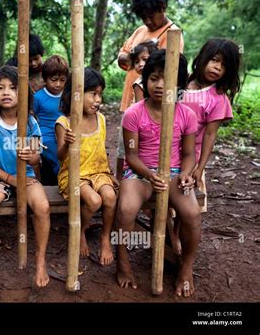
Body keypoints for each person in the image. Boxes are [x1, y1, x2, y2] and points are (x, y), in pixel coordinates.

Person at [116, 50, 200, 297]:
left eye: (168, 79)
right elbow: (131, 156)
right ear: (145, 80)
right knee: (126, 209)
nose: (160, 85)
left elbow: (188, 155)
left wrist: (186, 174)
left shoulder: (186, 115)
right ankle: (122, 261)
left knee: (192, 213)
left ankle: (186, 267)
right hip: (140, 173)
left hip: (174, 173)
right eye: (154, 78)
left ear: (180, 84)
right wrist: (149, 175)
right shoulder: (134, 113)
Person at [0, 66, 50, 291]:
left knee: (42, 206)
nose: (6, 92)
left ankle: (40, 260)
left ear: (22, 93)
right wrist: (7, 178)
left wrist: (30, 156)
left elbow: (36, 160)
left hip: (27, 176)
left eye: (13, 88)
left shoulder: (30, 122)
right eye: (1, 88)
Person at [116, 0, 184, 180]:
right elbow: (122, 55)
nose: (147, 21)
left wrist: (136, 58)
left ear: (162, 8)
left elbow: (167, 68)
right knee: (124, 147)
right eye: (143, 17)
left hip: (152, 107)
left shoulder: (172, 34)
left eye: (150, 16)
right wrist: (132, 57)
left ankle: (150, 187)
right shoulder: (140, 31)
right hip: (129, 102)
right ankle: (121, 184)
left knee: (147, 147)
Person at [56, 67, 118, 265]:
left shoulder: (101, 119)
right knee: (94, 201)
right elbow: (60, 156)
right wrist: (66, 142)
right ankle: (81, 229)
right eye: (93, 94)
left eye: (100, 94)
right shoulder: (64, 122)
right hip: (74, 175)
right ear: (75, 94)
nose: (98, 99)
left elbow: (101, 150)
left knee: (110, 197)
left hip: (98, 172)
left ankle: (105, 238)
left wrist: (109, 173)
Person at [181, 38, 240, 206]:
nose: (218, 67)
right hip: (167, 152)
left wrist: (200, 168)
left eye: (224, 65)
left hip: (192, 158)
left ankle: (177, 233)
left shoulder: (217, 98)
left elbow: (210, 134)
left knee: (187, 204)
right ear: (203, 58)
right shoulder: (181, 85)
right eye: (214, 60)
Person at [33, 55, 69, 185]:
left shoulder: (68, 95)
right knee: (58, 160)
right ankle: (62, 182)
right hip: (46, 137)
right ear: (45, 79)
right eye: (53, 80)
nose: (58, 84)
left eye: (62, 80)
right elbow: (31, 117)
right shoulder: (38, 97)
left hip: (67, 134)